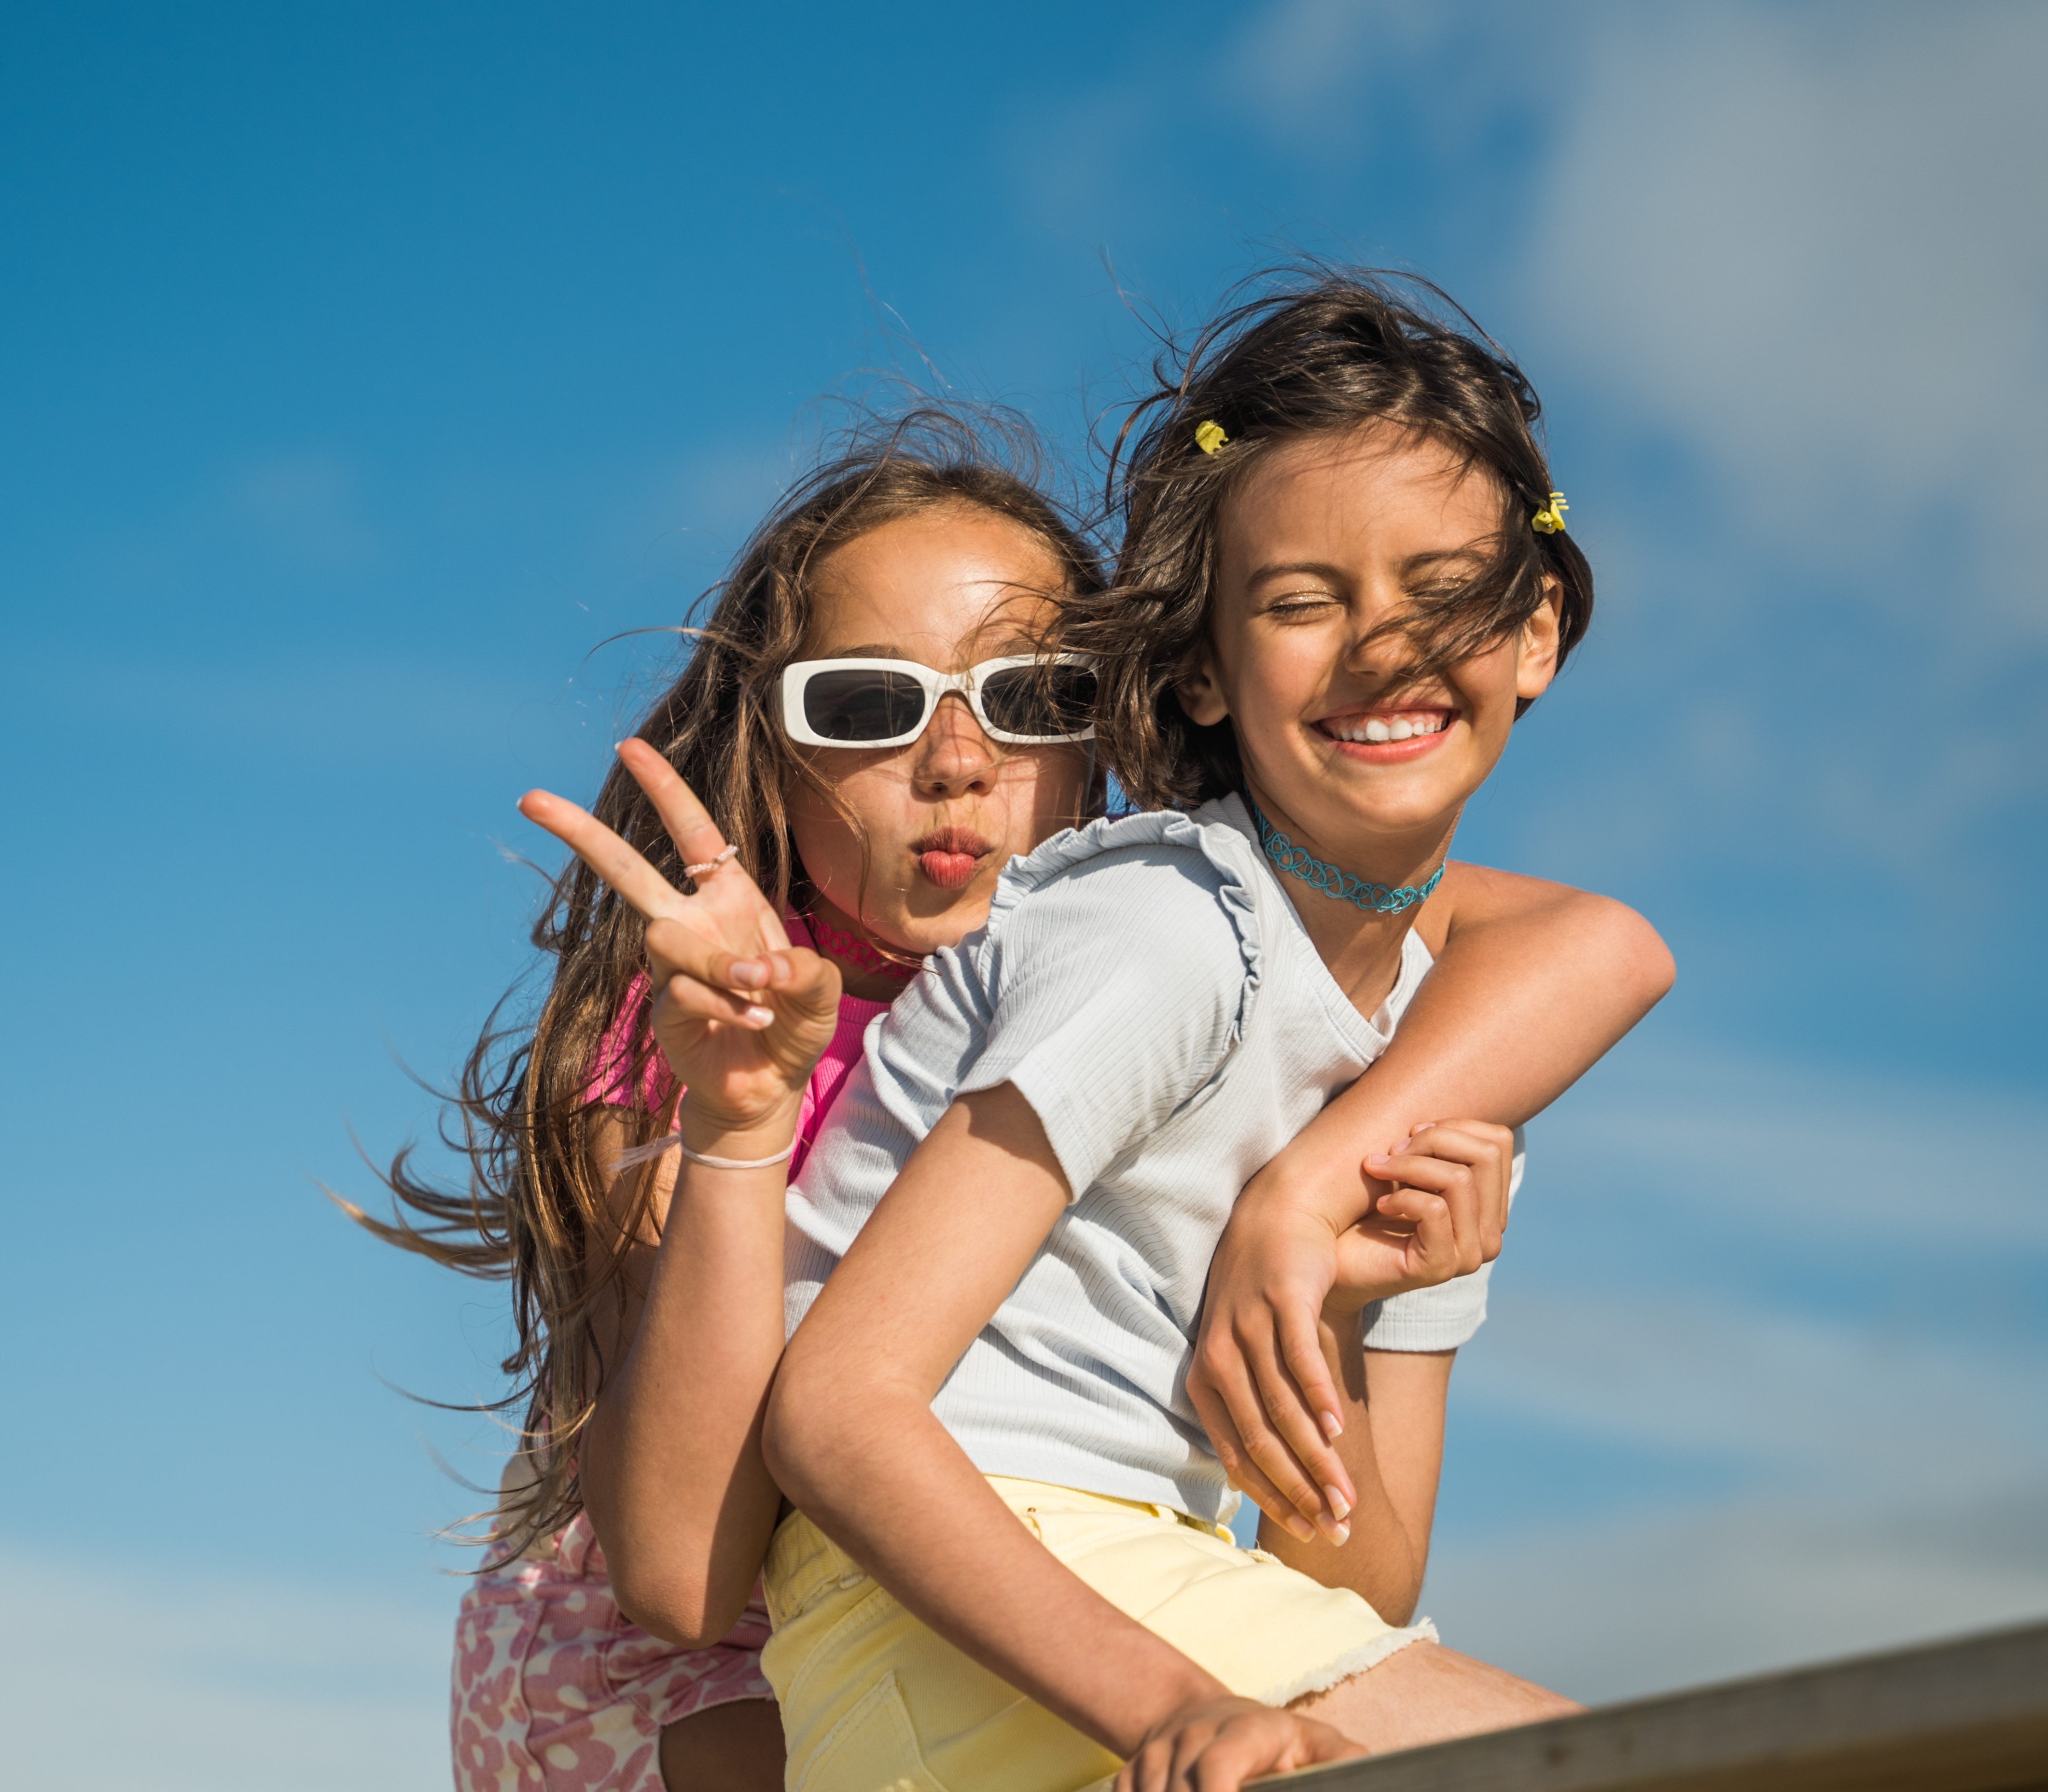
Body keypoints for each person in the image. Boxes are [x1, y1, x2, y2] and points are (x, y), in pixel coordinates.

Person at [370, 385, 1665, 1792]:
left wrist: (1323, 1205)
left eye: (1032, 697)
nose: (958, 763)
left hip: (974, 1590)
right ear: (774, 747)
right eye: (868, 703)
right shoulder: (717, 1019)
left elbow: (1591, 943)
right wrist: (740, 1122)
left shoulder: (1139, 940)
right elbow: (683, 1574)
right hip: (665, 1670)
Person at [761, 270, 1666, 1792]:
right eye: (1305, 602)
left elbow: (1352, 1600)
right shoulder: (1162, 934)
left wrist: (1353, 1307)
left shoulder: (1433, 1064)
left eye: (1445, 592)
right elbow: (837, 1411)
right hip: (936, 1601)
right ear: (1197, 668)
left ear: (1538, 634)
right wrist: (1166, 1706)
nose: (1385, 649)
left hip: (1120, 1595)